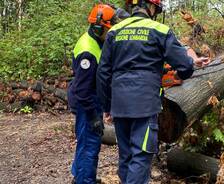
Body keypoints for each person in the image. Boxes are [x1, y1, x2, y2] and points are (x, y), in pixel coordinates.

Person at [96, 0, 210, 183]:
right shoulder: (160, 30)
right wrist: (184, 69)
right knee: (141, 156)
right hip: (145, 105)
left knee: (126, 156)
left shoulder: (114, 32)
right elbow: (184, 67)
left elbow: (103, 73)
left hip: (119, 104)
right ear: (151, 7)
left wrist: (107, 105)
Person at [67, 4, 129, 184]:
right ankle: (85, 180)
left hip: (90, 100)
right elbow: (82, 89)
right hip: (86, 103)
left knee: (85, 142)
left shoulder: (95, 41)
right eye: (108, 30)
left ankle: (80, 175)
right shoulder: (88, 51)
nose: (110, 34)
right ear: (98, 27)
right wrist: (94, 115)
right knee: (90, 144)